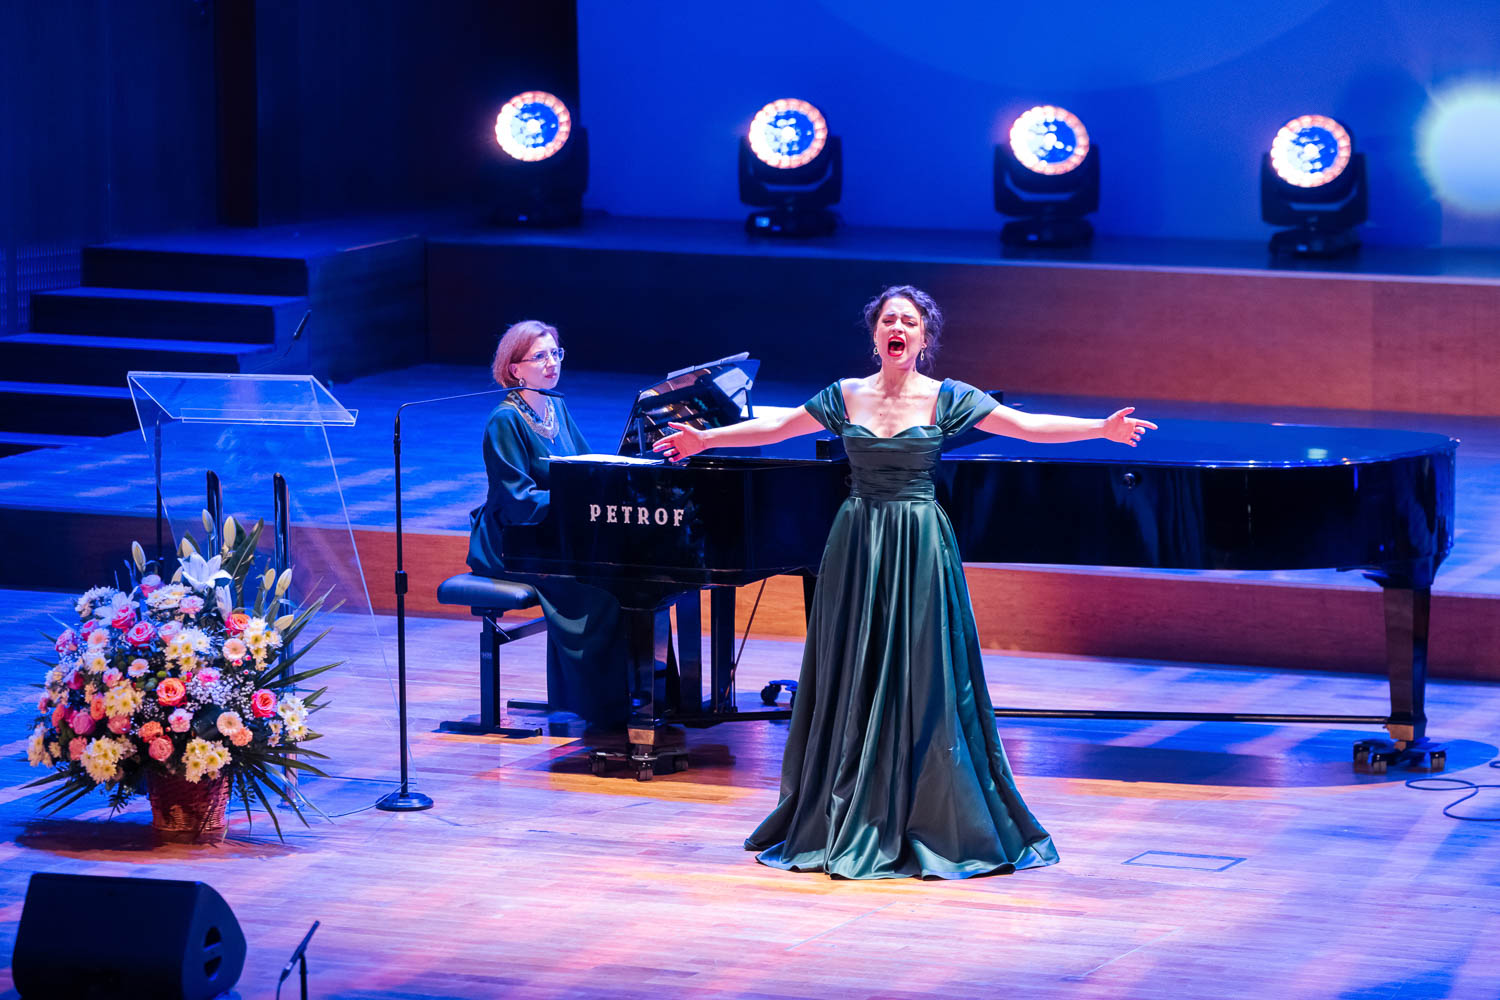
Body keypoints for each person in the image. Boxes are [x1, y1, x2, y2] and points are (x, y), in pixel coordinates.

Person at [653, 285, 1156, 880]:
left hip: (918, 543)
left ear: (923, 338)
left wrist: (1100, 428)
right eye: (889, 320)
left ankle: (929, 808)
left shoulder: (947, 397)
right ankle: (849, 800)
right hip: (857, 542)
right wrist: (704, 439)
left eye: (909, 321)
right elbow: (778, 427)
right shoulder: (846, 394)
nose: (898, 327)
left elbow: (1025, 426)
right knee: (855, 663)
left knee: (924, 669)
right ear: (875, 336)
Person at [467, 320, 630, 727]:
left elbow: (584, 468)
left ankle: (639, 698)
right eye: (539, 356)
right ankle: (596, 706)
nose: (551, 363)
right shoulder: (504, 421)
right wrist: (575, 503)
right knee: (599, 591)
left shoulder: (556, 407)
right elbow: (517, 500)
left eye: (555, 353)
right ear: (515, 369)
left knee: (631, 580)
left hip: (555, 534)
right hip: (512, 543)